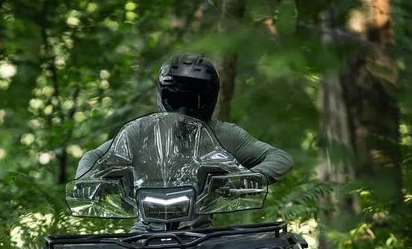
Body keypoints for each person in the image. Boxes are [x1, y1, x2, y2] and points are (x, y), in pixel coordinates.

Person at [76, 53, 293, 184]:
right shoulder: (141, 131)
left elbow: (280, 158)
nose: (182, 107)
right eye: (176, 97)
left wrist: (244, 180)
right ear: (164, 95)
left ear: (209, 98)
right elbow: (94, 156)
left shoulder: (224, 135)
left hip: (201, 237)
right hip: (142, 233)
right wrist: (87, 182)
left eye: (191, 99)